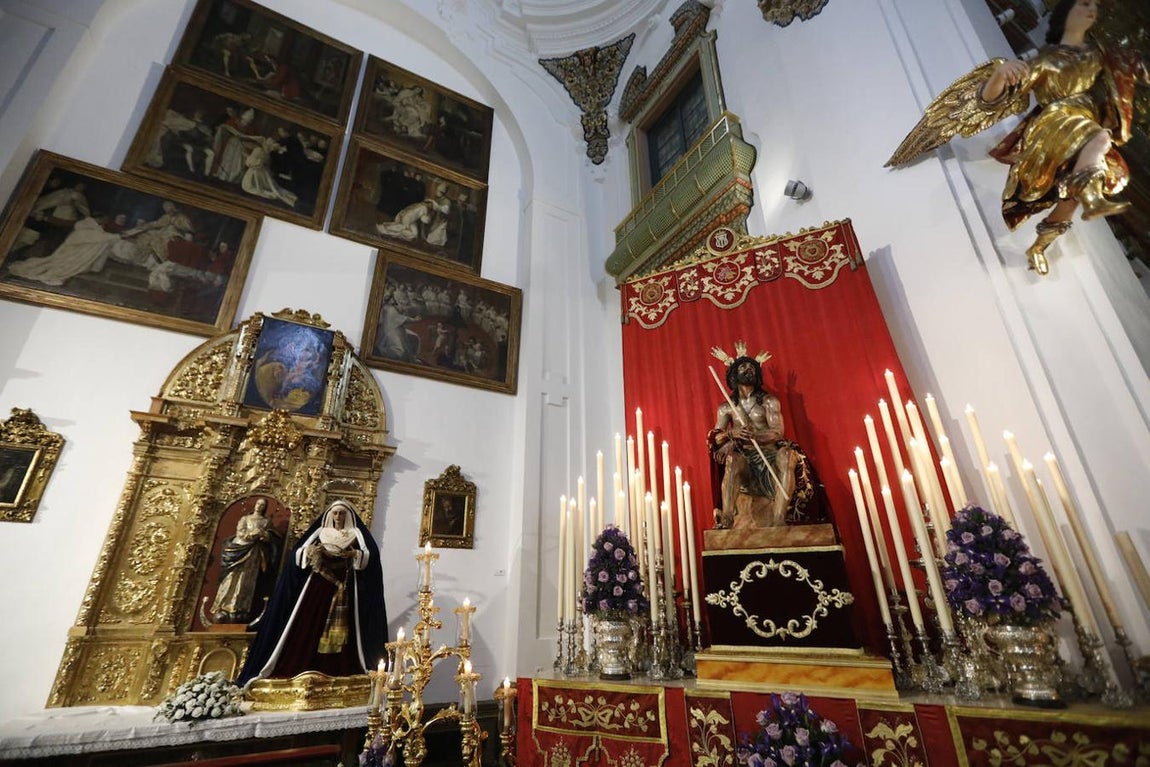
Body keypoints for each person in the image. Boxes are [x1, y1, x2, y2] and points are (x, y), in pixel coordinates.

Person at [887, 0, 1147, 275]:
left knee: (1070, 198)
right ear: (1066, 11)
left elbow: (1137, 69)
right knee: (1100, 139)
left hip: (1083, 131)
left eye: (1094, 5)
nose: (1091, 9)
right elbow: (991, 100)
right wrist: (999, 75)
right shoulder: (1045, 60)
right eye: (1083, 3)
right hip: (1055, 124)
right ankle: (1094, 198)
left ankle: (1039, 246)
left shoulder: (1100, 54)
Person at [237, 500, 387, 686]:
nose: (338, 517)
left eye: (341, 513)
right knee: (308, 622)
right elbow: (298, 554)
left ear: (347, 516)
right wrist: (311, 551)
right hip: (317, 584)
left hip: (344, 586)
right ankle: (301, 667)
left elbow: (368, 558)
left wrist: (353, 555)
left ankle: (337, 669)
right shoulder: (320, 532)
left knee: (346, 630)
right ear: (330, 515)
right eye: (335, 513)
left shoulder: (355, 534)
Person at [707, 343, 821, 529]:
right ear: (734, 374)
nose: (748, 369)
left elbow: (777, 432)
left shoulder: (769, 401)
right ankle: (726, 520)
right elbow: (717, 438)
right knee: (732, 460)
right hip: (745, 457)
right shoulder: (726, 407)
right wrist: (731, 433)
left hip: (769, 454)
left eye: (752, 367)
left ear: (757, 374)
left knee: (787, 454)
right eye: (743, 366)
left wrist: (755, 436)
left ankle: (778, 517)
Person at [210, 498, 281, 624]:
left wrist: (264, 535)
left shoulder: (266, 521)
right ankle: (223, 606)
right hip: (239, 549)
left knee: (247, 582)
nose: (259, 506)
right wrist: (253, 534)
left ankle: (241, 609)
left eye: (262, 505)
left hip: (254, 554)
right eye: (258, 503)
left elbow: (270, 537)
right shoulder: (245, 519)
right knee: (232, 578)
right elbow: (240, 532)